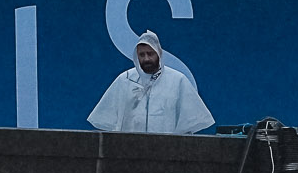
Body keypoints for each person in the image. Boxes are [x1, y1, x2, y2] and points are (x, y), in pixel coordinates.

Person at [86, 31, 214, 134]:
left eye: (150, 53)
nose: (146, 58)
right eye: (142, 55)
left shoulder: (177, 80)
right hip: (129, 150)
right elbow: (104, 119)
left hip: (167, 151)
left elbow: (192, 121)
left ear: (159, 53)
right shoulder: (125, 80)